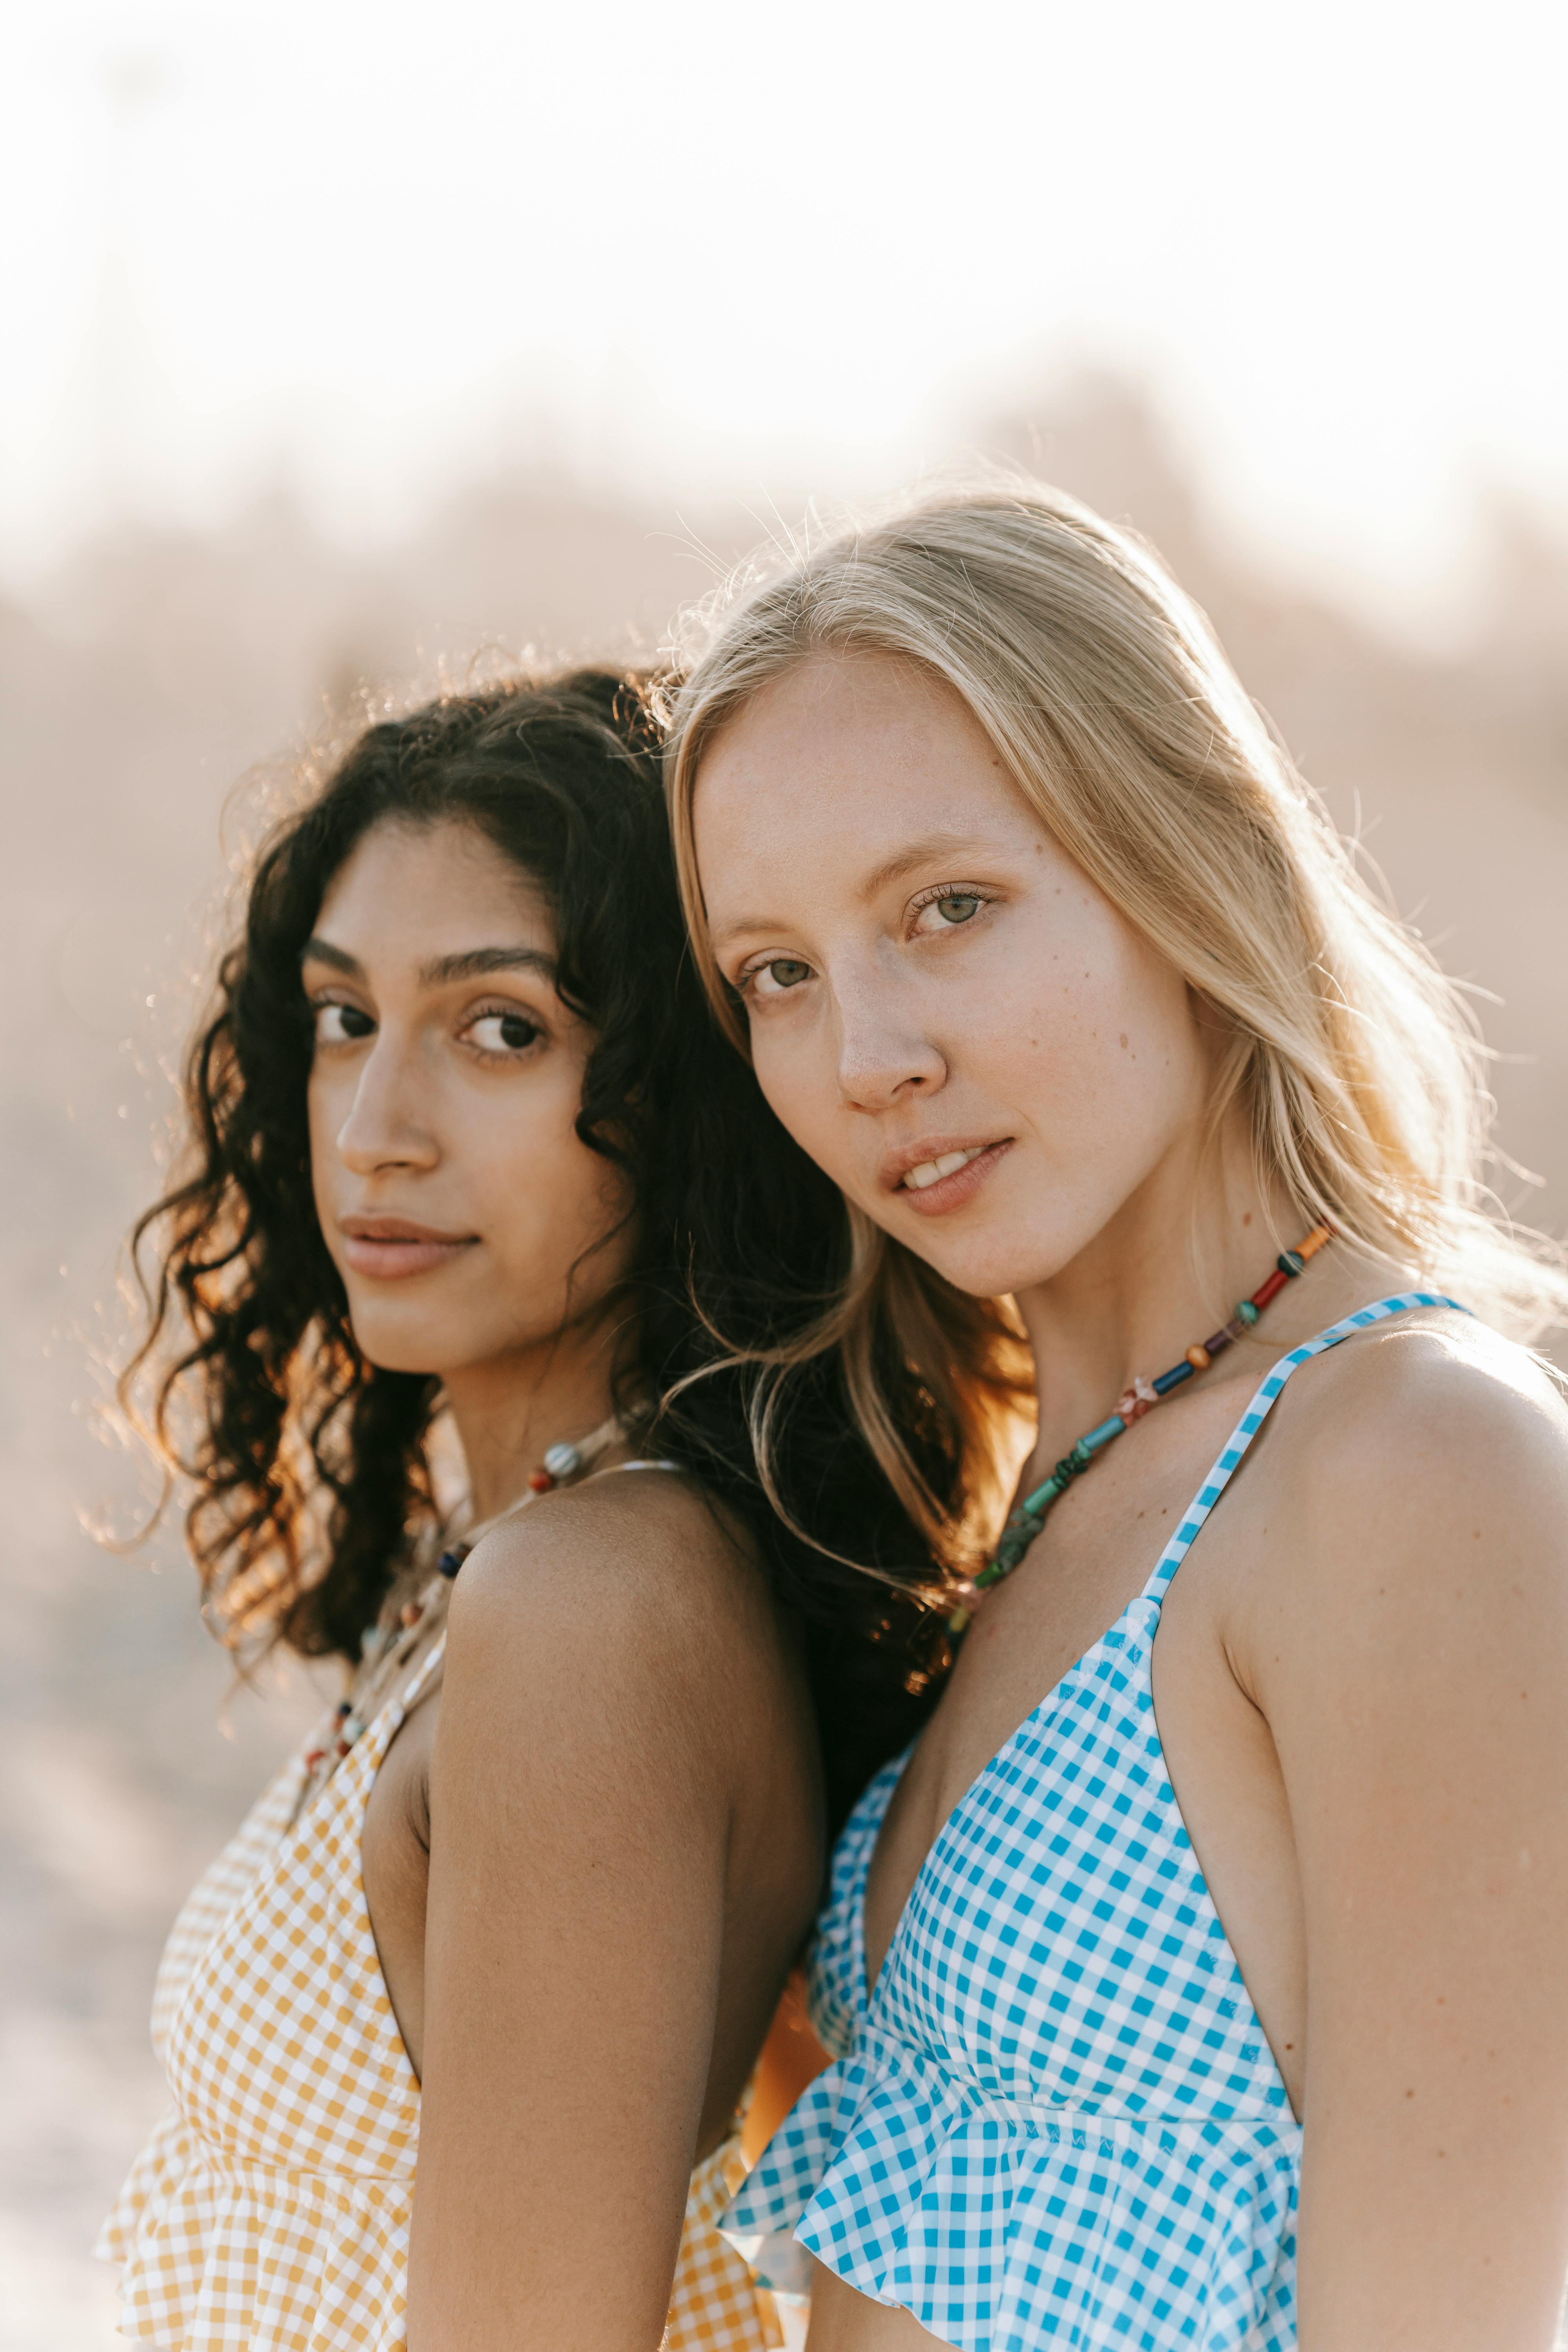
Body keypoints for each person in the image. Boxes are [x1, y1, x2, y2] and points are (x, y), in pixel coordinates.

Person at [663, 486, 1568, 2351]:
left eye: (951, 908)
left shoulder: (1407, 1465)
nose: (867, 1055)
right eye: (780, 973)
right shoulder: (1047, 1485)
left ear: (1186, 857)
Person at [98, 667, 948, 2352]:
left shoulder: (593, 1604)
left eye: (502, 1030)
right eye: (346, 1018)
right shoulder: (514, 1561)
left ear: (685, 1091)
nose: (375, 1131)